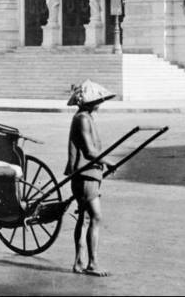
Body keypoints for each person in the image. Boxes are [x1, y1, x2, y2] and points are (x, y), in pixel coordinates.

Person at [65, 79, 116, 276]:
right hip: (85, 175)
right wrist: (107, 161)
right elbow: (89, 152)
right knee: (94, 217)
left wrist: (104, 163)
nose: (101, 103)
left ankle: (79, 262)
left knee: (85, 219)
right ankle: (91, 263)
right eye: (98, 100)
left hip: (87, 174)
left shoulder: (85, 117)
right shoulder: (83, 119)